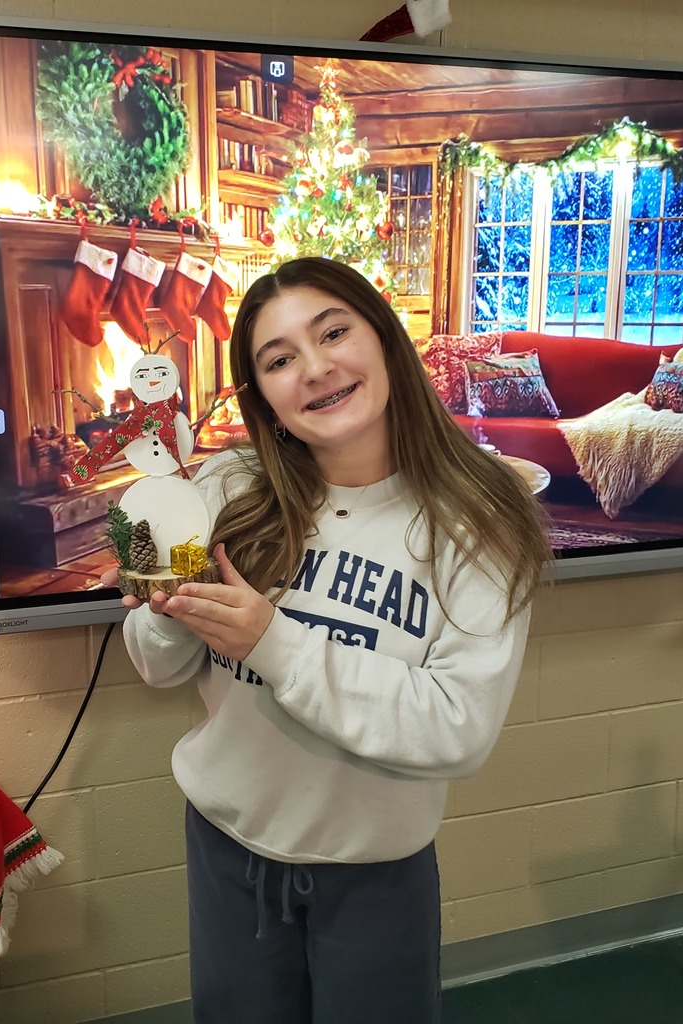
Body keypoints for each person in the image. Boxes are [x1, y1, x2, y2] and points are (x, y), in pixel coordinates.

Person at [101, 256, 553, 1024]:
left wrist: (270, 641)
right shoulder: (226, 490)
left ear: (382, 338)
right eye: (279, 360)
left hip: (377, 875)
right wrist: (160, 603)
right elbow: (156, 664)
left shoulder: (482, 518)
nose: (314, 369)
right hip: (226, 852)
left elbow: (458, 727)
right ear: (265, 399)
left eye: (333, 332)